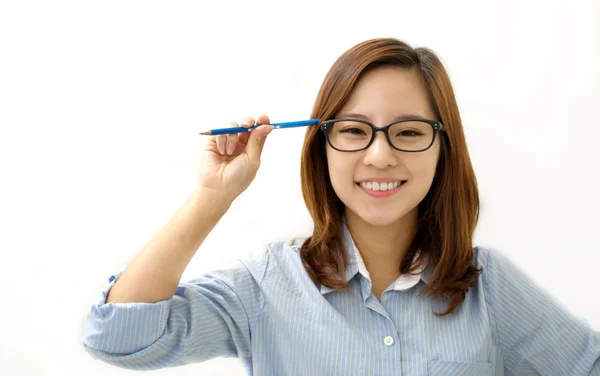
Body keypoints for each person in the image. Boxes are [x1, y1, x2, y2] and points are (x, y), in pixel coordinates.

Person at [82, 38, 600, 375]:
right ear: (321, 146)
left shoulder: (487, 284)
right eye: (353, 131)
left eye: (410, 132)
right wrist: (213, 197)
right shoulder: (267, 284)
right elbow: (119, 336)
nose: (380, 155)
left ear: (443, 151)